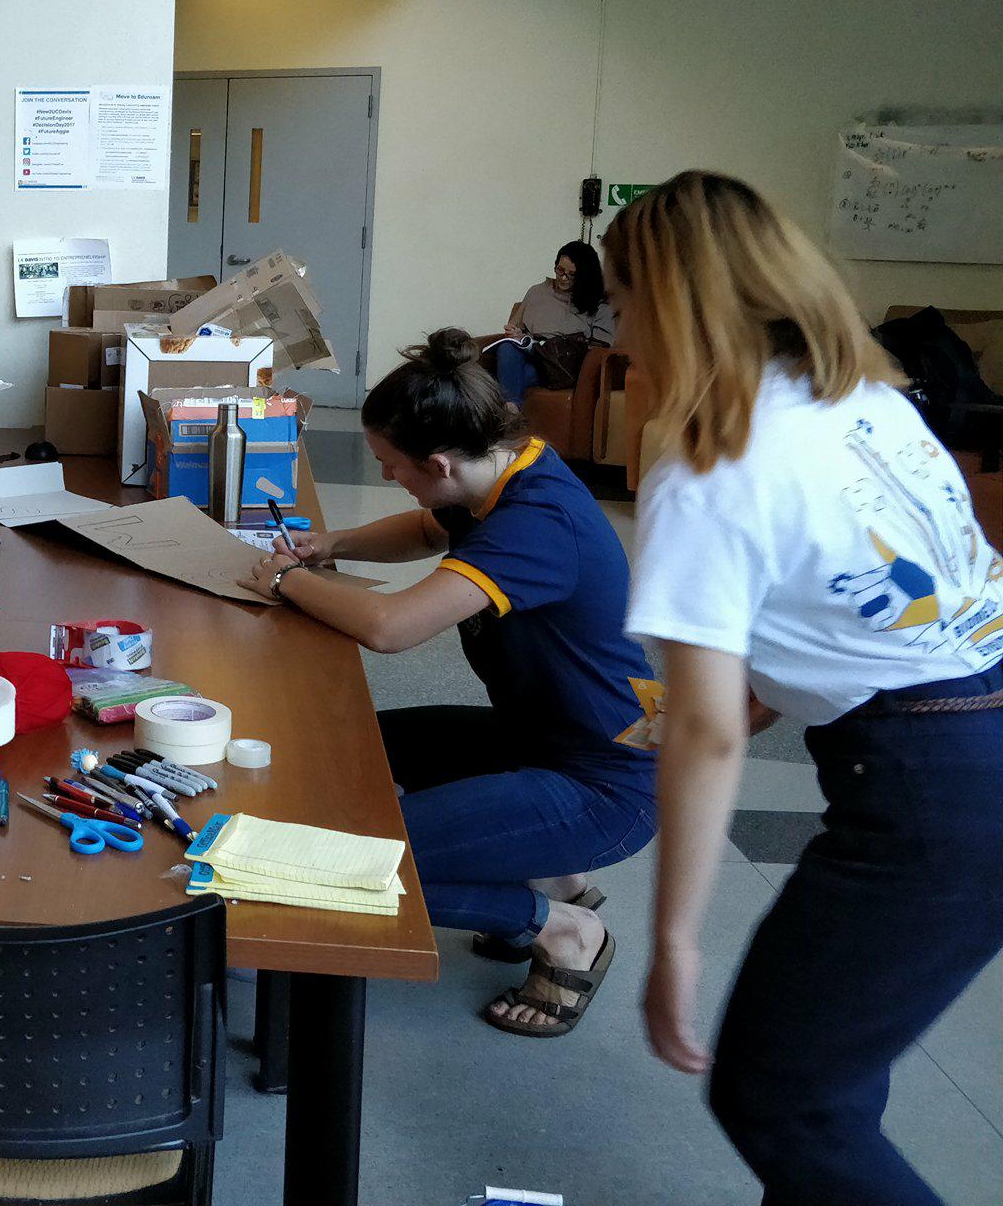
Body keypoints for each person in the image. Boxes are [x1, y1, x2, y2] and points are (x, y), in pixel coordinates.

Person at [608, 172, 1003, 1204]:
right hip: (975, 736)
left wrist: (673, 944)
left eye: (624, 300)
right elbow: (843, 603)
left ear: (673, 303)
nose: (618, 334)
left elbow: (702, 738)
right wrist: (750, 694)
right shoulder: (866, 401)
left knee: (782, 1099)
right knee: (832, 1075)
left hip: (931, 795)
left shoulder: (707, 468)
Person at [240, 328, 657, 1035]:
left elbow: (391, 629)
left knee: (360, 857)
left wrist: (288, 579)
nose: (387, 478)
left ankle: (560, 928)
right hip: (544, 739)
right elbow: (430, 530)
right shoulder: (503, 469)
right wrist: (333, 545)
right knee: (355, 748)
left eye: (392, 466)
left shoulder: (537, 523)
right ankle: (552, 870)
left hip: (604, 784)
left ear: (436, 461)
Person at [493, 239, 614, 405]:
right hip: (533, 353)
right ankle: (511, 410)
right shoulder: (537, 291)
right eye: (560, 270)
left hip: (563, 365)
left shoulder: (599, 303)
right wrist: (515, 333)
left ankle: (509, 410)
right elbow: (516, 327)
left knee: (501, 378)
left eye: (572, 275)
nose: (563, 278)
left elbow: (600, 349)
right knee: (506, 348)